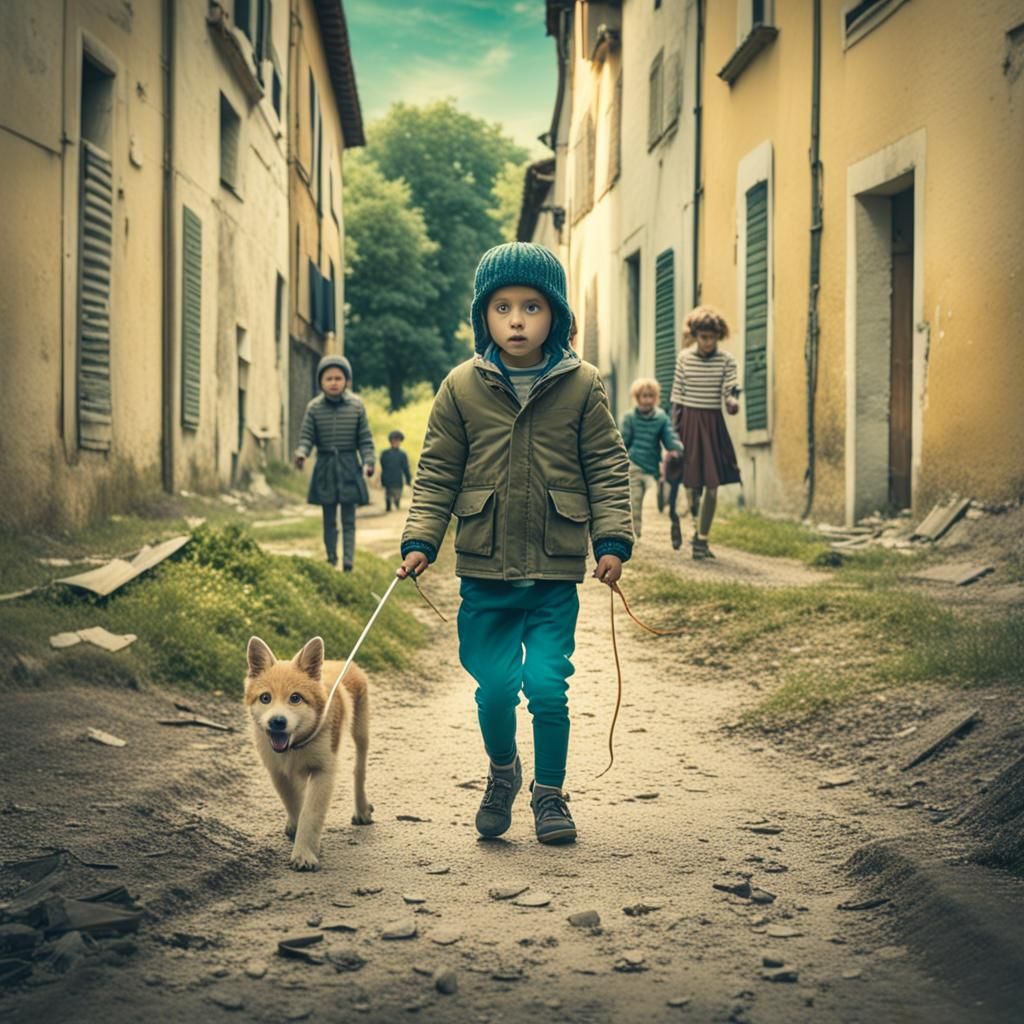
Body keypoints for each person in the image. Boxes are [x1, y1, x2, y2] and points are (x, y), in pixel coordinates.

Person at [396, 242, 633, 845]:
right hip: (485, 571)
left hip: (554, 569)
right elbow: (437, 471)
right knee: (496, 687)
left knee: (549, 685)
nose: (518, 320)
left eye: (532, 306)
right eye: (503, 307)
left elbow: (606, 464)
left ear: (556, 314)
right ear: (485, 317)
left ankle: (550, 794)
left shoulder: (582, 385)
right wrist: (422, 537)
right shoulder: (459, 388)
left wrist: (610, 538)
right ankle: (503, 772)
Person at [667, 306, 741, 559]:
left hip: (712, 423)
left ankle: (702, 538)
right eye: (703, 337)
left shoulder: (727, 361)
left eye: (712, 337)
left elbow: (731, 390)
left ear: (718, 336)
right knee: (691, 481)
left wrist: (732, 402)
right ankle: (695, 523)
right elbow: (676, 397)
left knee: (712, 483)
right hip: (687, 421)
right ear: (695, 335)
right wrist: (672, 435)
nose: (708, 342)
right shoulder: (684, 358)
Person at [294, 355, 375, 571]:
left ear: (346, 381)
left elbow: (365, 440)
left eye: (338, 378)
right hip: (325, 467)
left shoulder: (357, 406)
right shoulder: (314, 408)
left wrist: (368, 462)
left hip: (349, 467)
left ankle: (348, 562)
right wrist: (302, 453)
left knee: (348, 519)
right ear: (321, 382)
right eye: (328, 378)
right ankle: (331, 559)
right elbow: (306, 437)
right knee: (329, 518)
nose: (333, 382)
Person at [620, 378, 683, 541]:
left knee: (651, 501)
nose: (647, 400)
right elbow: (623, 442)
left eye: (650, 396)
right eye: (643, 396)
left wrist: (676, 449)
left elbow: (669, 436)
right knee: (634, 501)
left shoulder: (661, 418)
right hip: (633, 465)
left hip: (652, 468)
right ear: (637, 398)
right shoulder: (629, 418)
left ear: (656, 398)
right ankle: (635, 533)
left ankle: (655, 531)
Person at [379, 430, 412, 512]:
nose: (396, 442)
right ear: (390, 441)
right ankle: (388, 507)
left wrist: (408, 479)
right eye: (394, 440)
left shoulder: (402, 454)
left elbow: (405, 468)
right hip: (388, 480)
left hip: (398, 480)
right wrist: (383, 479)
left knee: (397, 496)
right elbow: (383, 466)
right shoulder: (384, 454)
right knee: (388, 496)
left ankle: (396, 505)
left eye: (398, 440)